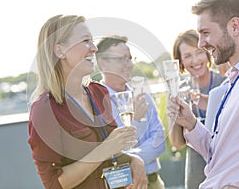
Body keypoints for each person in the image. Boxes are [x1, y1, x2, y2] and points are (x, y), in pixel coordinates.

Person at [27, 15, 148, 189]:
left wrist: (134, 160)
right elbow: (53, 183)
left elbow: (112, 147)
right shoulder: (45, 109)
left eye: (92, 41)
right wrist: (104, 150)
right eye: (86, 41)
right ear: (60, 51)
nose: (94, 48)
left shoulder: (99, 92)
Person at [167, 0, 239, 188]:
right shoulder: (236, 80)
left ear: (234, 26)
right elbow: (218, 155)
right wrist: (190, 123)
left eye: (205, 33)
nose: (201, 44)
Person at [95, 35, 166, 189]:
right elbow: (110, 153)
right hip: (123, 186)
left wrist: (133, 160)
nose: (129, 64)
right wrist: (134, 121)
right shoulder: (96, 103)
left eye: (129, 58)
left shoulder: (142, 95)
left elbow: (160, 141)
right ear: (103, 63)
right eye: (122, 59)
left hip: (154, 183)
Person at [169, 29, 225, 189]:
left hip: (224, 170)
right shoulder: (178, 92)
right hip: (196, 175)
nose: (195, 60)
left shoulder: (224, 81)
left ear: (207, 53)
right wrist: (174, 116)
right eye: (187, 56)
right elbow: (177, 144)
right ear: (180, 62)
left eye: (199, 52)